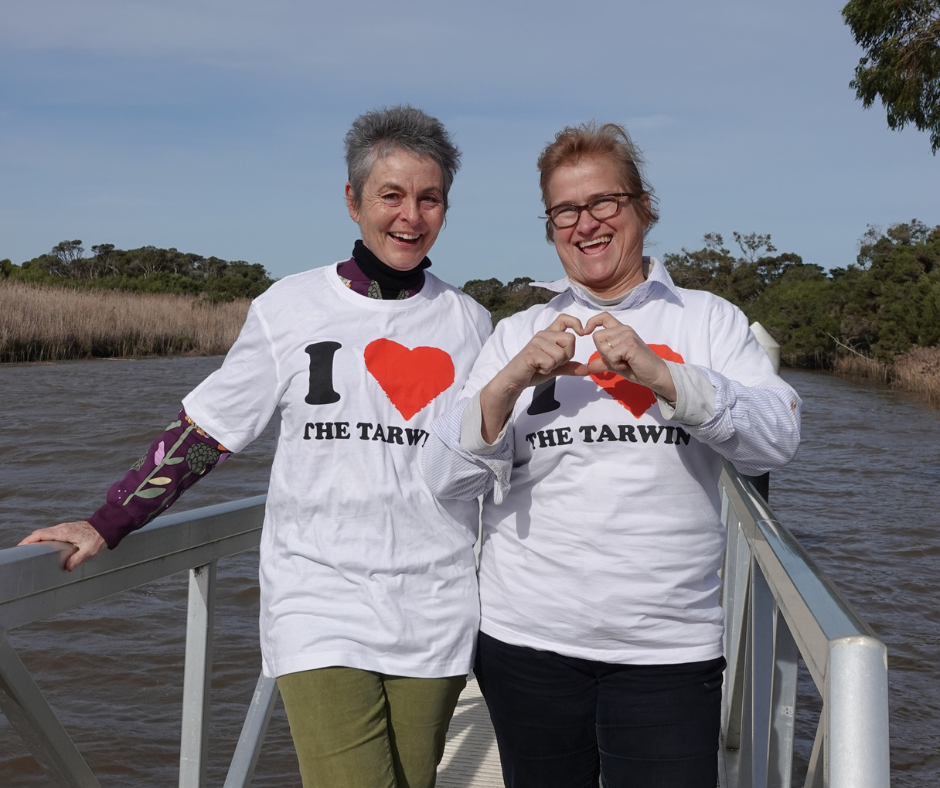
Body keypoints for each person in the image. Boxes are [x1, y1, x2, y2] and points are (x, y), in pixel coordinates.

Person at [19, 105, 493, 788]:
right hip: (320, 598)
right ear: (353, 201)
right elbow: (207, 433)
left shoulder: (469, 322)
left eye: (429, 199)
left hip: (437, 602)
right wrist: (109, 518)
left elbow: (495, 453)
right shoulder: (290, 308)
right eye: (391, 196)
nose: (410, 217)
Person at [423, 122, 801, 788]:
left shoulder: (709, 322)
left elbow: (777, 438)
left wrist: (664, 377)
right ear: (550, 227)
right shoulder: (517, 333)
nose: (586, 224)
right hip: (525, 644)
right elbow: (446, 482)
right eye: (565, 211)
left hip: (668, 650)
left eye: (605, 202)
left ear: (642, 206)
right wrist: (507, 383)